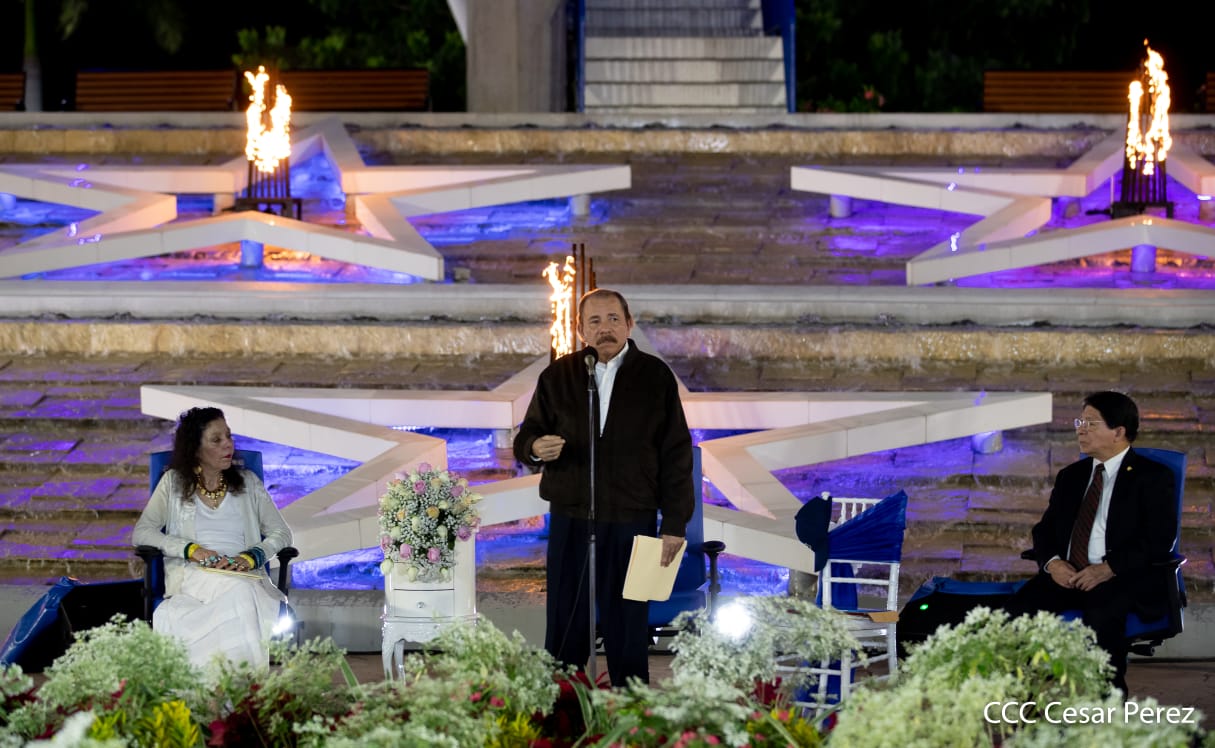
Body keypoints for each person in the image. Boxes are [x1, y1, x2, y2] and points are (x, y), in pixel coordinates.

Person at [514, 288, 694, 686]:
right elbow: (527, 436)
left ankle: (631, 707)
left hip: (632, 518)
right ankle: (564, 704)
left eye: (613, 319)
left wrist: (674, 523)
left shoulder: (655, 377)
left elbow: (677, 454)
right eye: (594, 321)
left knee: (628, 625)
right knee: (566, 621)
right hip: (571, 518)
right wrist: (535, 447)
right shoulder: (559, 376)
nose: (605, 328)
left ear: (629, 324)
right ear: (581, 331)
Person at [1005, 391, 1177, 693]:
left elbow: (1159, 539)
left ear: (1118, 432)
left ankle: (1108, 701)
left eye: (1091, 423)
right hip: (1068, 575)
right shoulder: (1071, 476)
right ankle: (1028, 694)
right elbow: (1044, 530)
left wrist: (1108, 569)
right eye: (1079, 422)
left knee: (1102, 619)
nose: (1080, 430)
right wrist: (1053, 564)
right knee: (1016, 612)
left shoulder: (1152, 477)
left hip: (1119, 577)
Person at [132, 406, 293, 671]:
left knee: (241, 590)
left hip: (246, 574)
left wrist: (252, 556)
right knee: (240, 594)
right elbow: (142, 532)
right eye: (216, 440)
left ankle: (221, 687)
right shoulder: (173, 483)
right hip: (196, 577)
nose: (228, 444)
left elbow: (282, 533)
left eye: (228, 436)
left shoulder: (249, 483)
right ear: (195, 448)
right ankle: (246, 688)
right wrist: (190, 549)